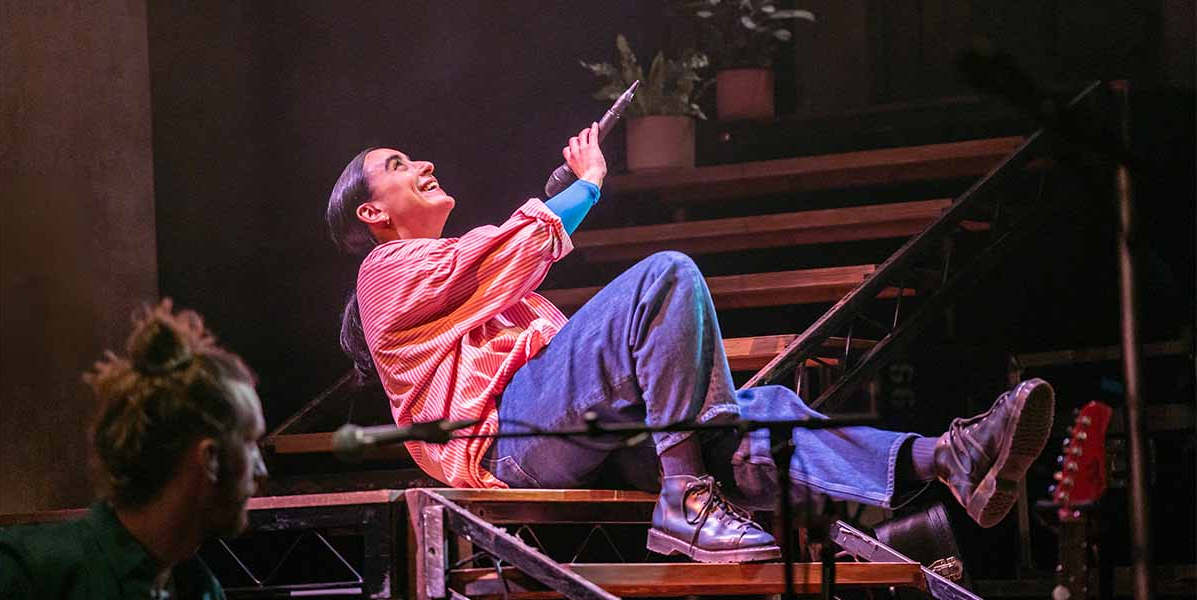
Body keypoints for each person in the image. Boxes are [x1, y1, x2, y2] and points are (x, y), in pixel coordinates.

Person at [325, 123, 1055, 563]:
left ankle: (949, 458)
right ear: (372, 212)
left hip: (562, 429)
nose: (419, 165)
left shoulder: (460, 284)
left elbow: (502, 278)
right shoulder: (383, 272)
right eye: (397, 166)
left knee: (759, 410)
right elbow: (497, 255)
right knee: (663, 277)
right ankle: (688, 496)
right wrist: (586, 186)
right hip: (508, 439)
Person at [0, 301, 269, 598]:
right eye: (249, 442)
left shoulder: (201, 590)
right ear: (209, 458)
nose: (261, 469)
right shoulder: (27, 574)